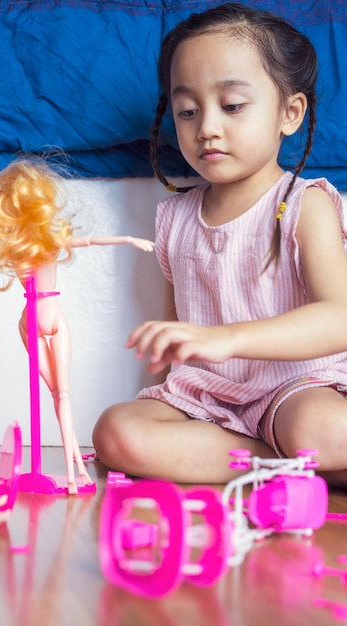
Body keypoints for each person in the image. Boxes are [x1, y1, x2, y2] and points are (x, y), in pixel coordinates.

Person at [92, 2, 347, 486]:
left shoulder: (303, 203)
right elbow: (179, 332)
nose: (206, 126)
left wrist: (227, 338)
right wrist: (165, 378)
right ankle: (286, 466)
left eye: (231, 106)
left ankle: (306, 454)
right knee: (118, 432)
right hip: (210, 399)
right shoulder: (174, 217)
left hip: (296, 389)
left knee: (323, 427)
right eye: (187, 110)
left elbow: (341, 317)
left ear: (289, 113)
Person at [0, 159, 154, 494]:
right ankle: (74, 474)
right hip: (29, 323)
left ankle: (74, 474)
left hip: (54, 319)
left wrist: (129, 239)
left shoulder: (51, 242)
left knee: (62, 394)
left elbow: (91, 241)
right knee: (56, 394)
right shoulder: (13, 250)